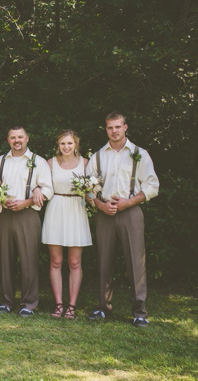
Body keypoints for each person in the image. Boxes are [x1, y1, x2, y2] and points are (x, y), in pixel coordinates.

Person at [86, 112, 159, 327]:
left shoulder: (140, 154)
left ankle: (139, 312)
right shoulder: (98, 156)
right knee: (104, 261)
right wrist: (100, 204)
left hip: (131, 212)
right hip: (104, 213)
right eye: (110, 127)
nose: (114, 131)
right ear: (106, 129)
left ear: (125, 127)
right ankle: (103, 307)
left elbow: (152, 186)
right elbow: (87, 188)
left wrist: (128, 202)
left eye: (118, 126)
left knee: (136, 262)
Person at [0, 126, 53, 317]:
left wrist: (26, 202)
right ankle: (6, 300)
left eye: (20, 137)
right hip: (5, 213)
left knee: (29, 259)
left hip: (28, 214)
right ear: (8, 140)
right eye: (13, 137)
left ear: (27, 138)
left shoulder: (39, 162)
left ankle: (28, 303)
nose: (17, 140)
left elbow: (47, 189)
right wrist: (1, 200)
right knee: (5, 258)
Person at [41, 130, 92, 319]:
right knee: (56, 261)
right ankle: (58, 304)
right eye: (63, 143)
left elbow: (92, 189)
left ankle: (72, 305)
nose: (66, 147)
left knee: (74, 261)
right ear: (58, 145)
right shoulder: (50, 163)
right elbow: (42, 184)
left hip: (76, 210)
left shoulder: (86, 163)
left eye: (70, 143)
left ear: (76, 144)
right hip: (55, 208)